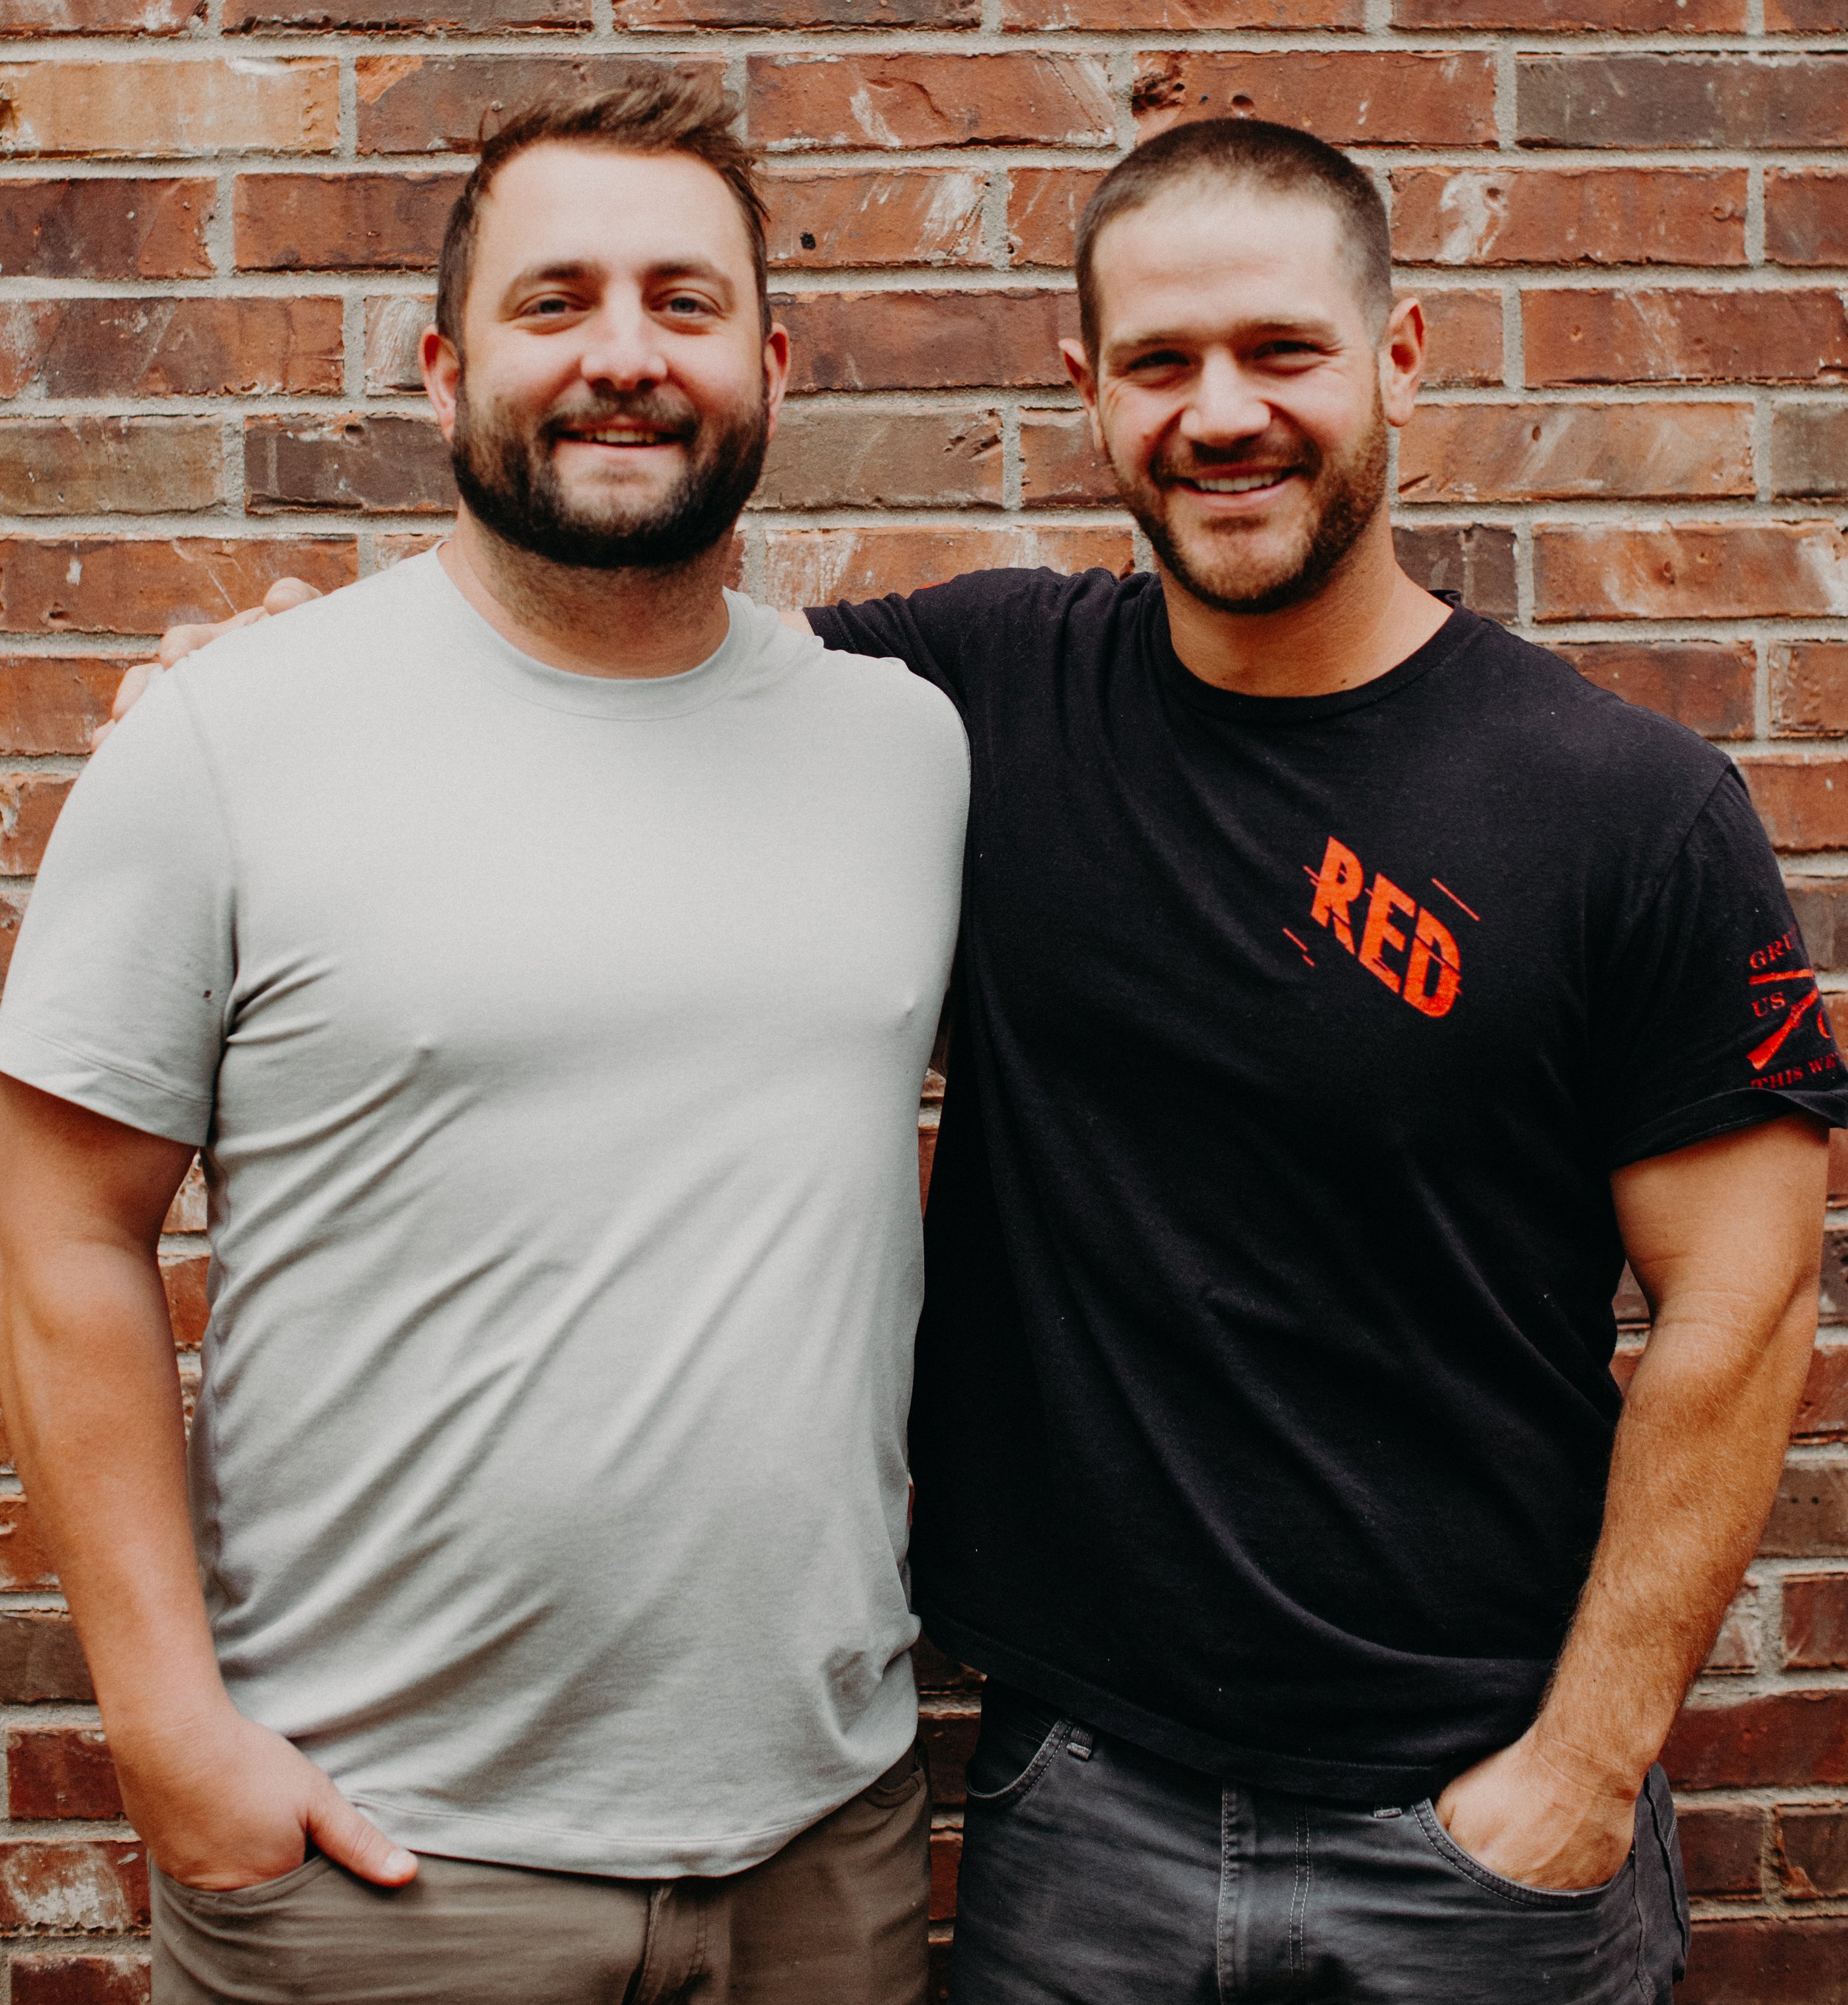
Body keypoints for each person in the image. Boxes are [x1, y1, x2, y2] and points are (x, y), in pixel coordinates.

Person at [104, 118, 1844, 2004]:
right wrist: (271, 671)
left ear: (1397, 358)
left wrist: (1580, 1772)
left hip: (1470, 1829)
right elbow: (615, 647)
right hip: (1080, 1807)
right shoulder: (978, 694)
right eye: (1162, 364)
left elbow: (1738, 1308)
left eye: (1281, 351)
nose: (1224, 411)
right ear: (1086, 390)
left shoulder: (1626, 807)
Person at [0, 72, 968, 2005]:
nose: (623, 355)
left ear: (770, 361)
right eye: (556, 302)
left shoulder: (907, 749)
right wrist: (169, 1731)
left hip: (818, 1856)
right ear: (445, 367)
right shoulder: (233, 734)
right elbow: (59, 1225)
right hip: (382, 1868)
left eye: (682, 303)